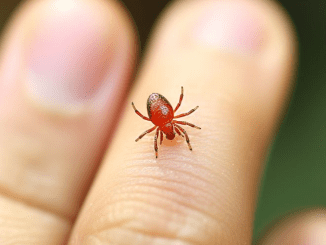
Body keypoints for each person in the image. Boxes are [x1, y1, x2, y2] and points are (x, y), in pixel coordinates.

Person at [1, 0, 317, 244]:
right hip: (159, 104)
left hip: (158, 105)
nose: (169, 133)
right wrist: (160, 131)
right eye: (167, 131)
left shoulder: (165, 123)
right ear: (164, 125)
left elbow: (174, 119)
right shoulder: (165, 123)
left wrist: (164, 123)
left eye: (169, 130)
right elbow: (173, 118)